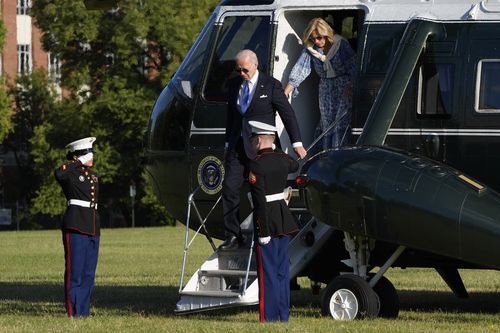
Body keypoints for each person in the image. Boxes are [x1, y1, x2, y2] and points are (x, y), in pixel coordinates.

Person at [220, 49, 306, 250]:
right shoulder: (234, 85)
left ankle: (270, 231)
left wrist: (297, 143)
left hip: (262, 149)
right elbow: (231, 117)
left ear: (255, 65)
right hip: (238, 147)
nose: (242, 73)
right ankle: (232, 235)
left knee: (263, 192)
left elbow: (288, 114)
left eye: (245, 70)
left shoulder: (271, 85)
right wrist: (226, 144)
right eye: (238, 69)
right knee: (229, 189)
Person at [247, 120, 299, 322]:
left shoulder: (256, 164)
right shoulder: (282, 159)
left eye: (253, 140)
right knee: (281, 272)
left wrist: (263, 231)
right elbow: (294, 164)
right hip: (284, 219)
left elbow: (259, 202)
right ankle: (283, 315)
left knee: (267, 271)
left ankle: (269, 317)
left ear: (259, 140)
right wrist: (277, 149)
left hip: (267, 221)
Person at [284, 17, 356, 150]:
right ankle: (327, 153)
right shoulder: (310, 50)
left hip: (344, 87)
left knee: (341, 121)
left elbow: (353, 66)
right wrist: (285, 93)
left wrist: (351, 85)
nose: (316, 41)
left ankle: (339, 152)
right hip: (325, 88)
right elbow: (300, 69)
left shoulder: (340, 44)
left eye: (319, 37)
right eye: (312, 38)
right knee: (326, 121)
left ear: (326, 34)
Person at [54, 137, 100, 317]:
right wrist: (78, 161)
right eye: (87, 153)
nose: (91, 156)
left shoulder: (94, 175)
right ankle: (73, 312)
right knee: (75, 272)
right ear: (77, 156)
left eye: (91, 153)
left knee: (89, 273)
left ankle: (84, 311)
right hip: (76, 225)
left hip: (93, 225)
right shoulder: (70, 173)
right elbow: (59, 174)